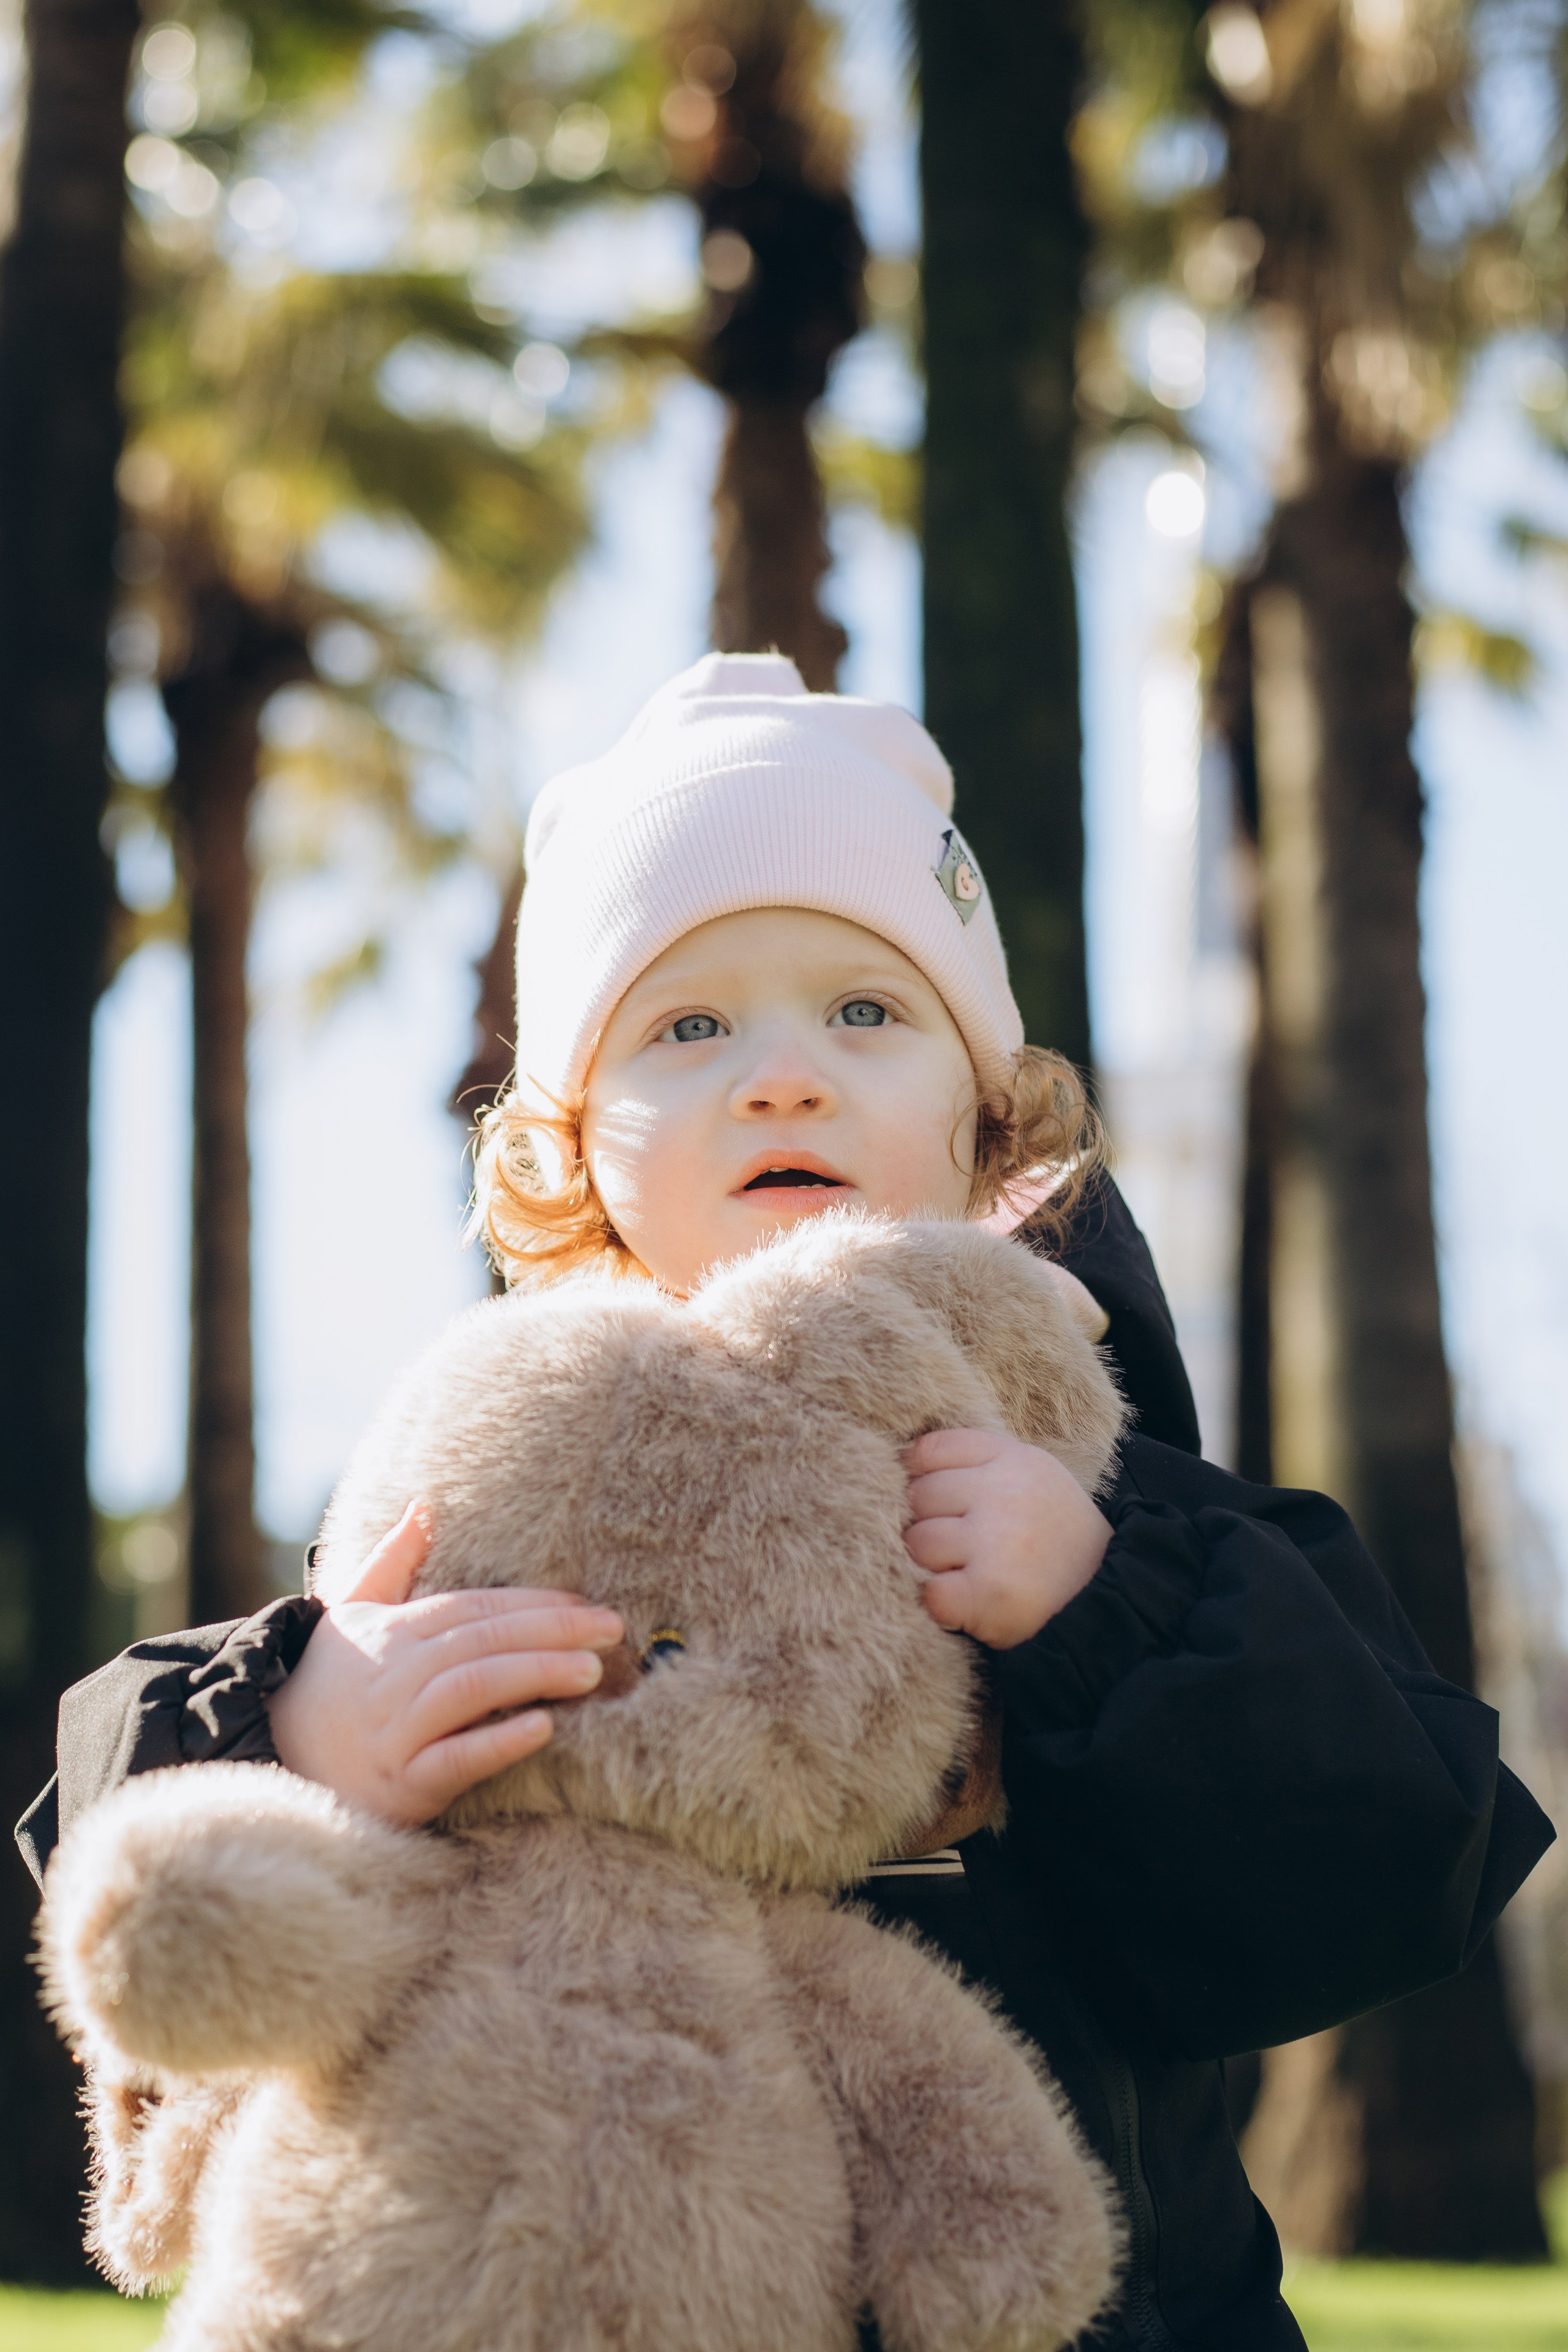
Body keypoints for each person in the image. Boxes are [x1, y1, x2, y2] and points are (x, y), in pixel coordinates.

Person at [17, 654, 1553, 2351]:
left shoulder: (1128, 1514)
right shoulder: (494, 1493)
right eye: (688, 1028)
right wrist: (296, 1730)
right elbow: (109, 1831)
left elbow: (1390, 1868)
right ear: (569, 1148)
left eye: (868, 1012)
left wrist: (1101, 1608)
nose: (784, 1075)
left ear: (993, 1119)